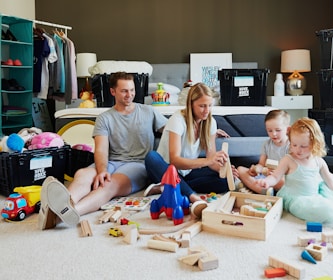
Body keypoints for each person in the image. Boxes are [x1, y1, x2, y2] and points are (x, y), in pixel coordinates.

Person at [38, 72, 168, 229]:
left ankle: (65, 215)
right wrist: (102, 170)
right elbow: (100, 149)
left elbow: (171, 132)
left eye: (132, 90)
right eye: (124, 91)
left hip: (136, 165)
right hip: (111, 161)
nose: (130, 95)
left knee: (108, 185)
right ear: (113, 91)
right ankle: (61, 204)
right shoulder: (104, 118)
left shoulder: (149, 111)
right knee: (82, 174)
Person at [144, 82, 237, 204]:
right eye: (202, 106)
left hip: (187, 172)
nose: (206, 111)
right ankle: (191, 195)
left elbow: (211, 161)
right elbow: (175, 160)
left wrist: (224, 169)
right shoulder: (177, 119)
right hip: (166, 169)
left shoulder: (211, 123)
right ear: (191, 104)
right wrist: (208, 161)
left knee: (225, 181)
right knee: (151, 157)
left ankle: (167, 187)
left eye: (209, 105)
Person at [237, 109, 290, 194]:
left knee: (284, 182)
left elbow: (292, 169)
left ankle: (258, 189)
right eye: (270, 130)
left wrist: (277, 174)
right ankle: (265, 191)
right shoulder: (267, 144)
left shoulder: (291, 145)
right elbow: (261, 164)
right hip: (266, 177)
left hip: (281, 178)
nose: (274, 134)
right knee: (240, 170)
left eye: (278, 130)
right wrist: (256, 169)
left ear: (287, 129)